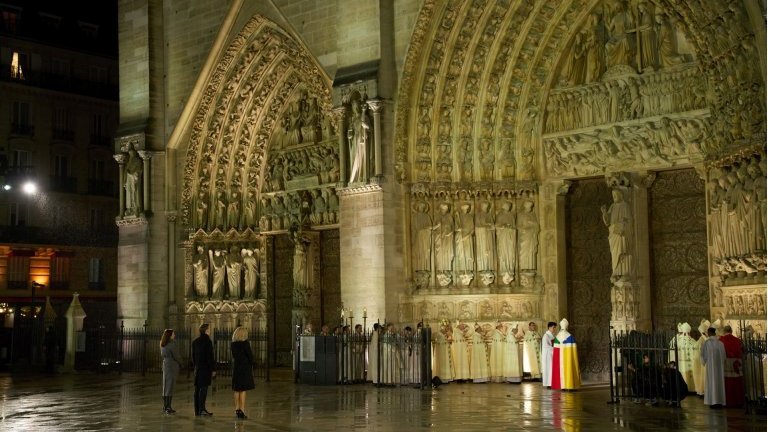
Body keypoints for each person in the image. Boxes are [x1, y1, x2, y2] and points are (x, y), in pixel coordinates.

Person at [231, 326, 255, 419]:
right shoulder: (245, 344)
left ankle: (237, 409)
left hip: (237, 367)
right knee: (243, 389)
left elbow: (234, 356)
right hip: (244, 368)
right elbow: (250, 356)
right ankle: (242, 409)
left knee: (237, 389)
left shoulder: (233, 344)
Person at [192, 323, 215, 417]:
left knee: (197, 389)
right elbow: (210, 357)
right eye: (209, 329)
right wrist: (213, 369)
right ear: (206, 331)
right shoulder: (207, 341)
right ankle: (202, 409)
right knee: (204, 389)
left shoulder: (195, 341)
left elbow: (193, 356)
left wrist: (195, 366)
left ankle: (197, 410)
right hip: (205, 368)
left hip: (198, 368)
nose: (210, 331)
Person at [700, 327, 726, 408]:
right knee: (719, 382)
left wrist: (703, 362)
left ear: (709, 333)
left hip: (710, 368)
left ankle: (712, 401)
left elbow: (702, 355)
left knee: (711, 382)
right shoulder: (720, 343)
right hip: (719, 368)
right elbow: (724, 357)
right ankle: (719, 401)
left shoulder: (707, 343)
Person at [551, 318, 580, 391]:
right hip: (568, 358)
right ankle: (569, 385)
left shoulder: (557, 337)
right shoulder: (570, 337)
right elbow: (573, 351)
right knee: (569, 368)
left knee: (561, 369)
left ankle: (563, 386)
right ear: (567, 326)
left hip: (560, 359)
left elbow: (555, 351)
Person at [719, 325, 744, 407]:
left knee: (728, 383)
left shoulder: (721, 340)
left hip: (726, 364)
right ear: (732, 331)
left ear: (724, 331)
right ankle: (739, 401)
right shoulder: (738, 340)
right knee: (737, 382)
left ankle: (728, 401)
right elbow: (743, 352)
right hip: (737, 364)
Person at [160, 329, 182, 414]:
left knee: (165, 385)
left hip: (165, 364)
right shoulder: (172, 344)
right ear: (170, 335)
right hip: (172, 365)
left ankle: (165, 406)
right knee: (170, 386)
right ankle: (168, 407)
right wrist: (182, 363)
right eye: (173, 334)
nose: (174, 335)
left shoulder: (163, 343)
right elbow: (176, 355)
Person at [541, 322, 556, 388]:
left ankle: (552, 382)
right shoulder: (546, 336)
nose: (554, 329)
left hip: (550, 354)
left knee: (551, 369)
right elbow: (546, 346)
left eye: (555, 327)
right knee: (548, 369)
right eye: (553, 327)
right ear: (549, 327)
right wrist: (554, 348)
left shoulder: (551, 335)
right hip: (547, 355)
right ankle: (548, 384)